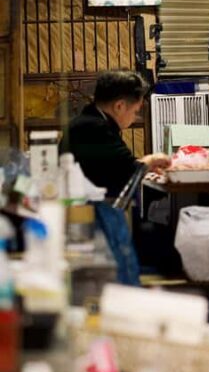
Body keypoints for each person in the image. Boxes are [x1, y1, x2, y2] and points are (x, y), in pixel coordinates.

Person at [61, 69, 170, 284]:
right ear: (119, 106)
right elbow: (125, 169)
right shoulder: (93, 126)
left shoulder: (89, 121)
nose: (135, 117)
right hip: (91, 214)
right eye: (135, 111)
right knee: (117, 280)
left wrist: (146, 165)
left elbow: (114, 163)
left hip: (91, 211)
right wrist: (151, 160)